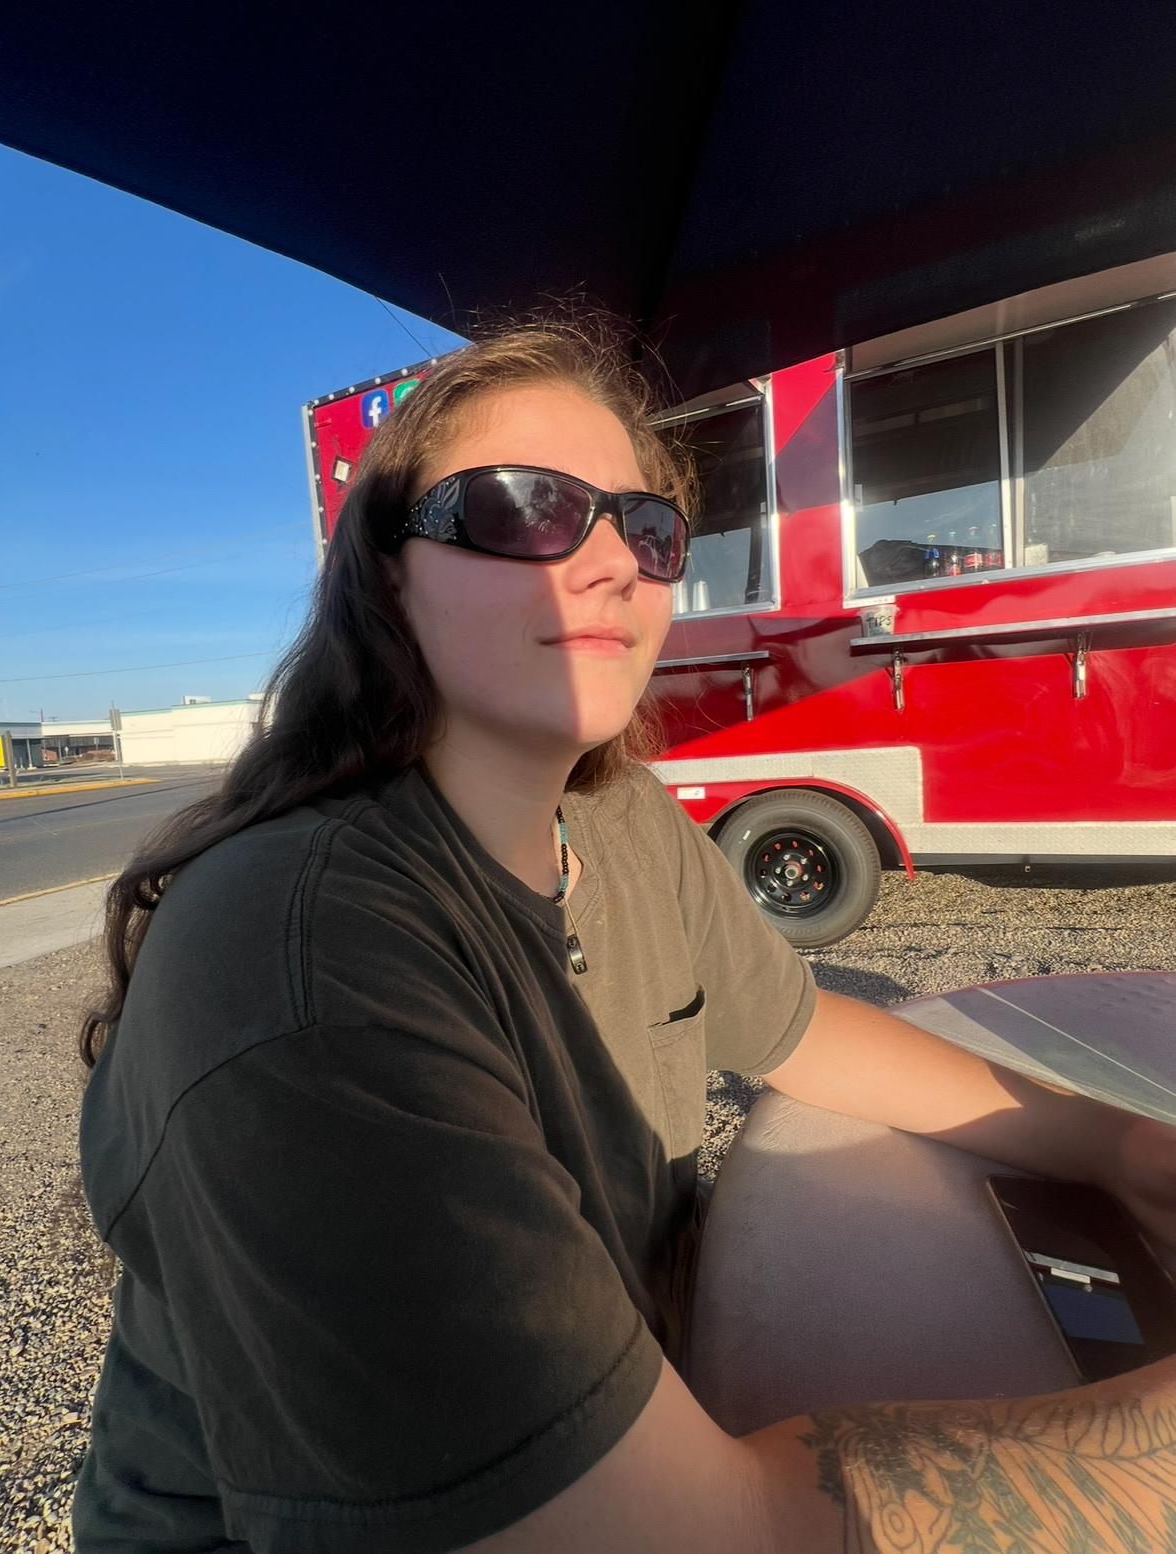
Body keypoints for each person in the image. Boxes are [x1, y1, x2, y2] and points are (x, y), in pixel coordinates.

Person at [73, 320, 1176, 1553]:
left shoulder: (627, 821)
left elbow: (802, 1032)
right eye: (527, 508)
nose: (613, 566)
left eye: (646, 530)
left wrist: (1117, 1146)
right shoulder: (307, 953)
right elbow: (675, 1536)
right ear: (386, 570)